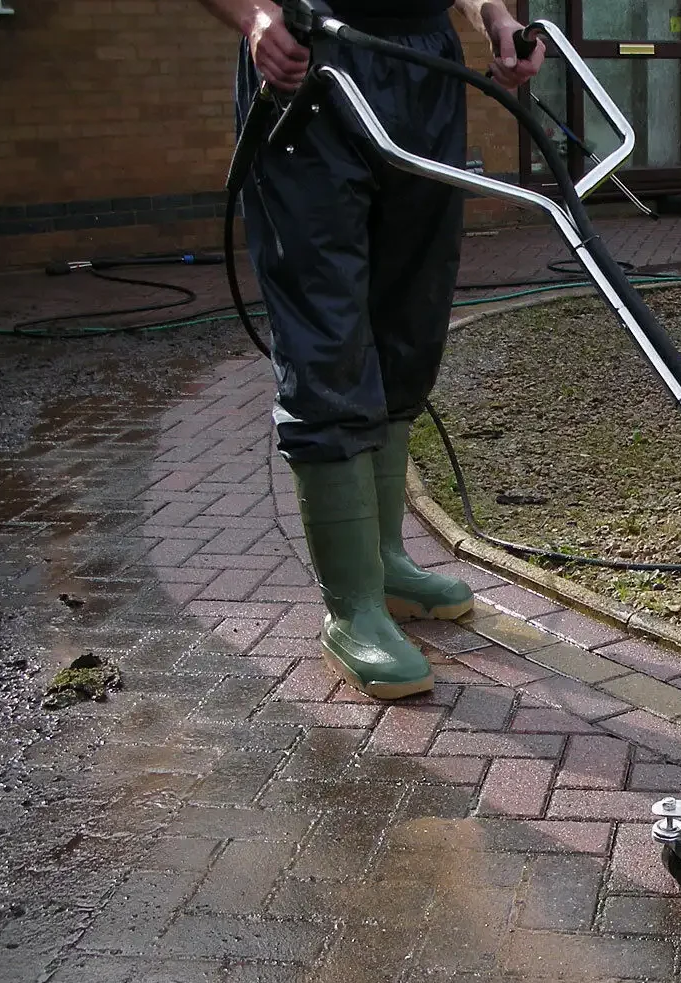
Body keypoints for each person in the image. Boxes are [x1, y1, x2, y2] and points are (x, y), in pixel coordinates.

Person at [196, 0, 543, 698]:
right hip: (312, 66)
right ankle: (352, 605)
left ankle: (385, 563)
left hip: (424, 70)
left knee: (411, 321)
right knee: (327, 331)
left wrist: (497, 20)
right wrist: (255, 18)